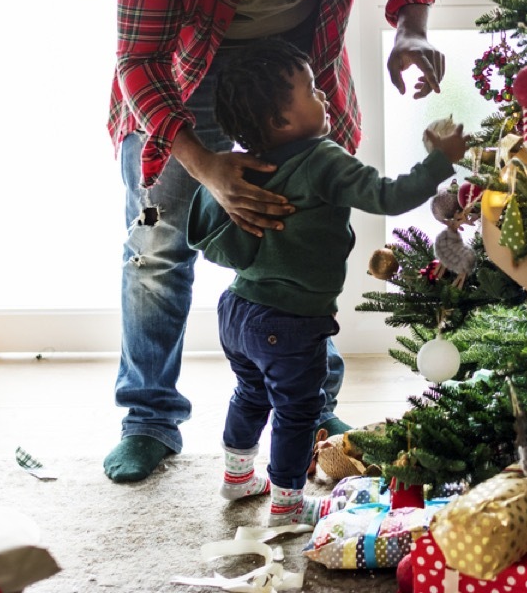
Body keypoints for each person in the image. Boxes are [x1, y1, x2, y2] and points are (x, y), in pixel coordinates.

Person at [104, 0, 446, 483]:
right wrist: (203, 166)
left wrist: (410, 29)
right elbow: (136, 58)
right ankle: (148, 418)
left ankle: (313, 407)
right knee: (158, 247)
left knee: (306, 231)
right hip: (185, 80)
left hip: (297, 69)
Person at [187, 38, 467, 524]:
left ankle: (237, 479)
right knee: (298, 412)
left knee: (250, 394)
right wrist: (439, 161)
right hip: (291, 322)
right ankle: (289, 504)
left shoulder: (241, 163)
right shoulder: (322, 159)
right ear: (280, 120)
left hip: (236, 309)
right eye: (313, 91)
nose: (323, 99)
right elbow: (388, 195)